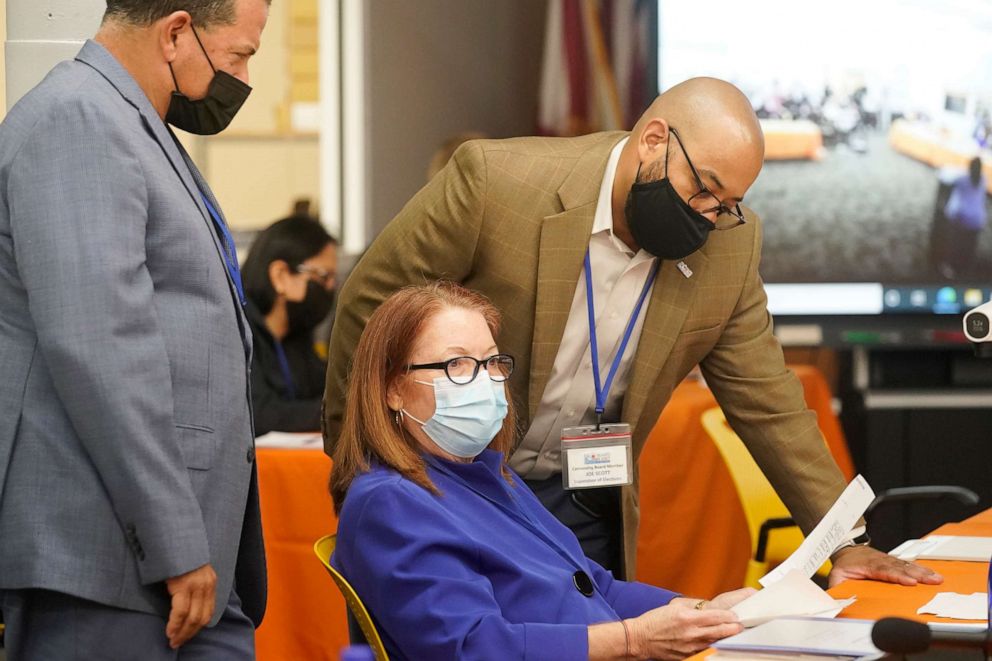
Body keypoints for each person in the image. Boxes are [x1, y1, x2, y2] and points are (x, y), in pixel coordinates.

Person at [324, 77, 939, 588]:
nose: (708, 216)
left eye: (727, 205)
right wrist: (362, 470)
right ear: (653, 141)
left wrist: (845, 543)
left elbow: (769, 400)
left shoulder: (728, 247)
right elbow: (370, 307)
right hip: (451, 485)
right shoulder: (496, 185)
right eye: (701, 189)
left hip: (585, 497)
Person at [0, 0, 270, 657]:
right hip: (111, 558)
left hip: (173, 559)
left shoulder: (128, 122)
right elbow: (101, 347)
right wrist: (176, 540)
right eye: (237, 56)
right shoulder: (77, 117)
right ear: (176, 32)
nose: (238, 78)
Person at [331, 281, 753, 660]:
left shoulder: (488, 477)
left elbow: (593, 585)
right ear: (391, 390)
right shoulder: (390, 502)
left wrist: (704, 613)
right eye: (456, 365)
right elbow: (473, 647)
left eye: (492, 362)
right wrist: (633, 640)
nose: (486, 381)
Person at [241, 215, 338, 435]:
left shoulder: (297, 333)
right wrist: (339, 412)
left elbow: (322, 390)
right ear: (281, 275)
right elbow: (259, 414)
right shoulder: (238, 330)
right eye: (323, 277)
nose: (330, 288)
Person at [941, 156, 988, 278]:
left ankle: (950, 269)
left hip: (963, 219)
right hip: (978, 220)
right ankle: (967, 271)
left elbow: (947, 179)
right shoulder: (983, 179)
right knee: (970, 246)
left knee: (955, 244)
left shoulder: (963, 180)